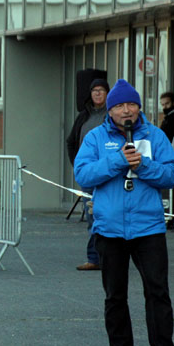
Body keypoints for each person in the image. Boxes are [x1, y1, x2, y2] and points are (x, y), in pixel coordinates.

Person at [74, 79, 174, 346]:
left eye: (131, 104)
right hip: (110, 229)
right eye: (119, 105)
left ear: (138, 107)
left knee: (157, 291)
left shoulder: (155, 136)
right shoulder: (96, 138)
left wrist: (143, 166)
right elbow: (83, 174)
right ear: (110, 110)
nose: (126, 110)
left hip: (149, 228)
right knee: (115, 294)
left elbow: (173, 174)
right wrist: (118, 161)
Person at [66, 78, 110, 271]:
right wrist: (78, 166)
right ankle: (94, 258)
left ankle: (112, 257)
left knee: (108, 215)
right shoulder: (84, 116)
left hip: (109, 173)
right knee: (92, 216)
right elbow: (71, 141)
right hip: (88, 175)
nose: (97, 94)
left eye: (101, 90)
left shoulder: (112, 114)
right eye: (94, 91)